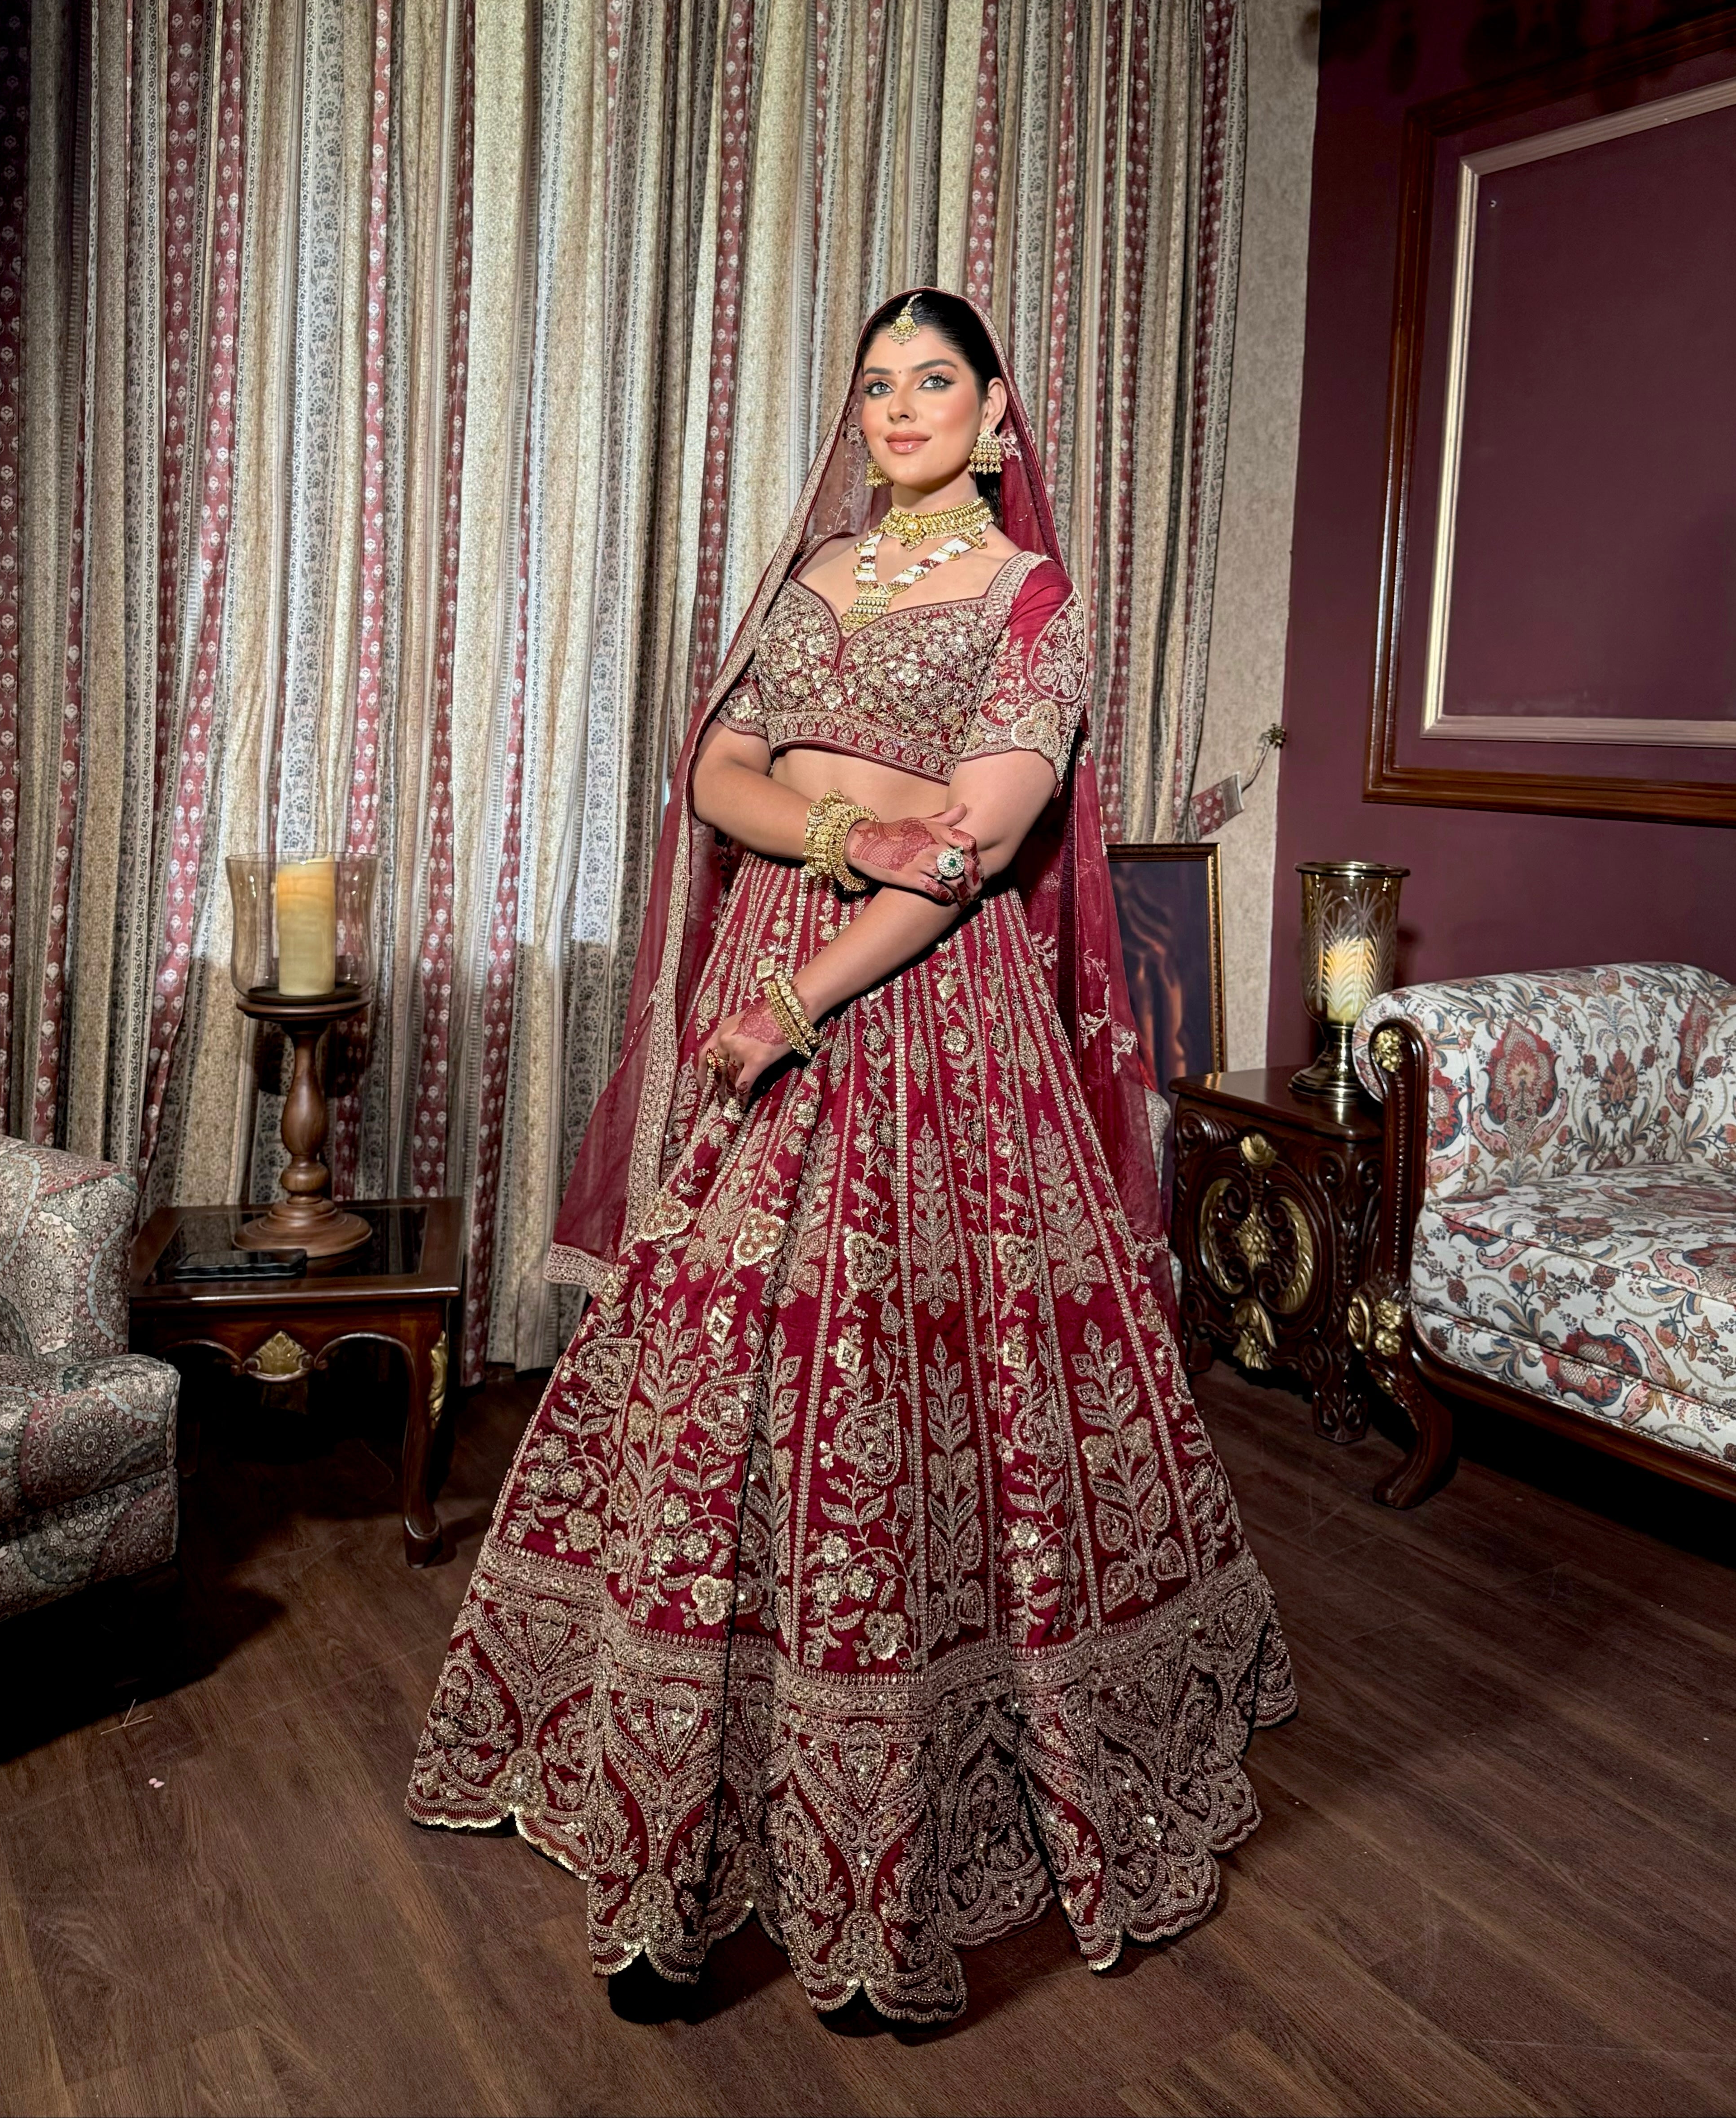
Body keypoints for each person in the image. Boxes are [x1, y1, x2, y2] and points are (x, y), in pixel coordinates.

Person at [408, 289, 1294, 2025]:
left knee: (900, 1375)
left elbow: (982, 842)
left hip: (922, 1019)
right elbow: (716, 773)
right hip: (775, 978)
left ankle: (894, 1807)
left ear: (994, 409)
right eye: (877, 383)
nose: (899, 408)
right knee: (714, 1367)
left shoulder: (1032, 599)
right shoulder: (811, 577)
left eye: (933, 380)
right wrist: (842, 822)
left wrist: (795, 993)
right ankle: (676, 1826)